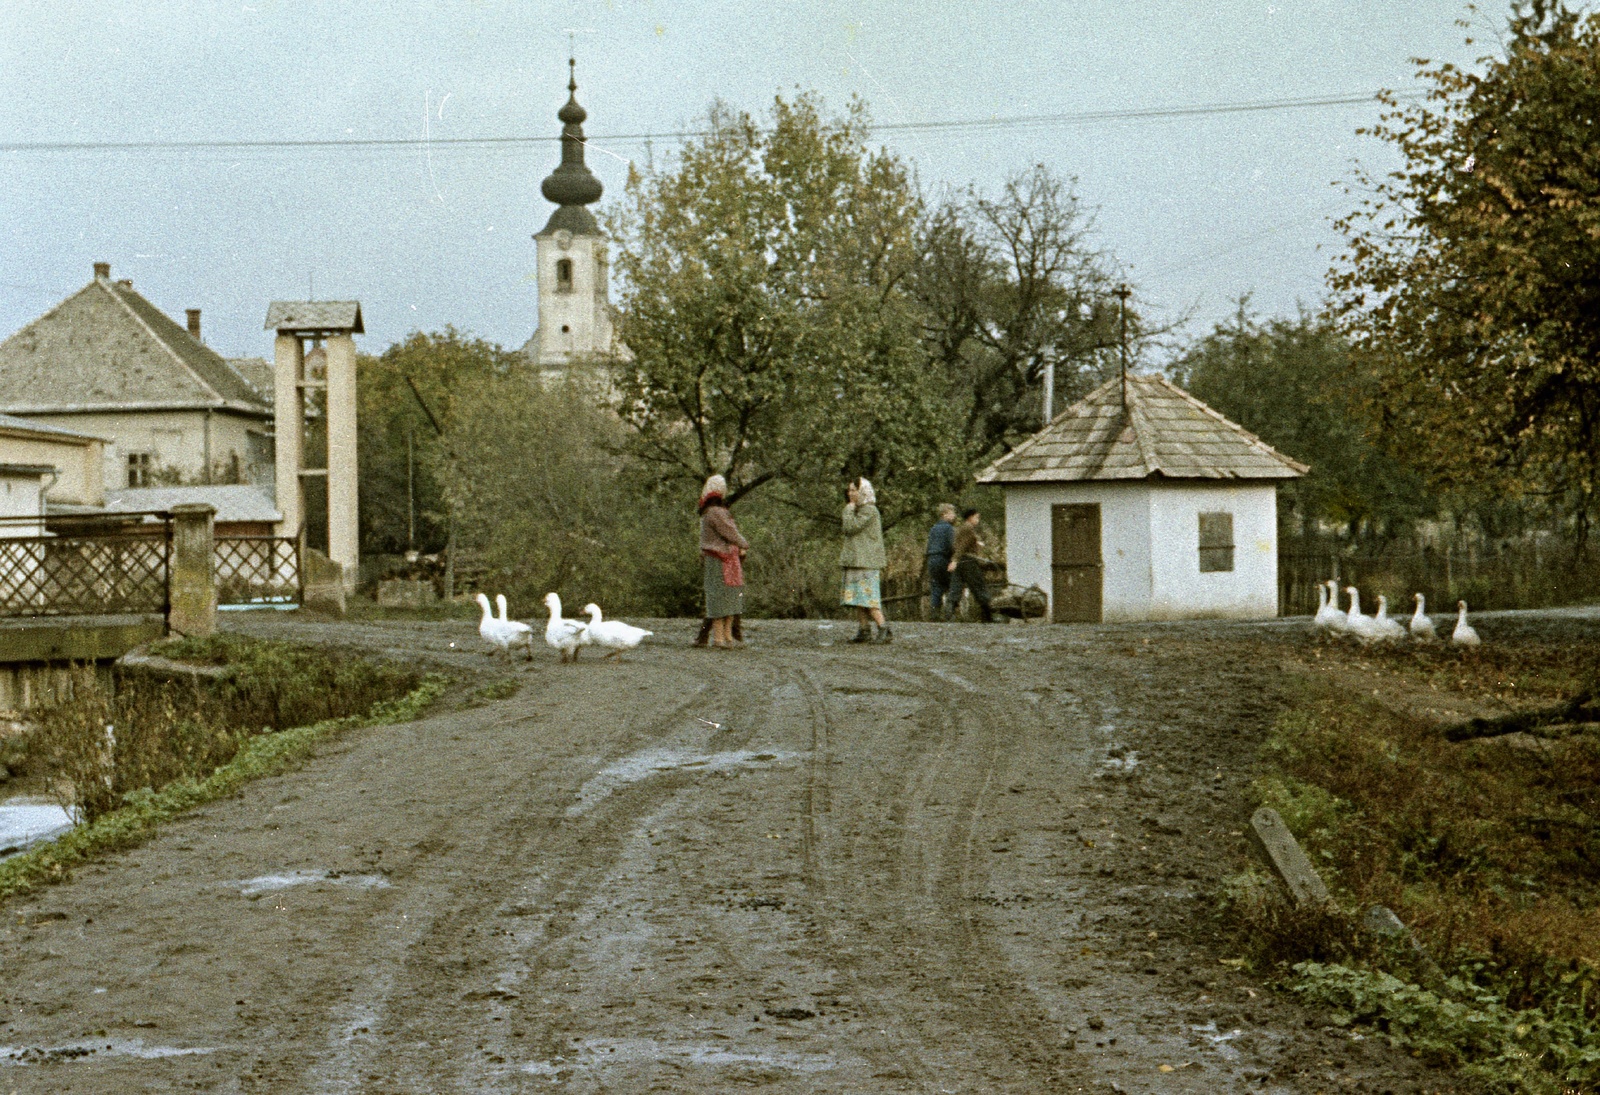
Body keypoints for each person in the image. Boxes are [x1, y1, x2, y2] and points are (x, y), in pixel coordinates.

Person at [698, 475, 748, 649]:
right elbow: (730, 532)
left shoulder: (707, 512)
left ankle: (724, 637)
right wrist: (744, 544)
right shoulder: (717, 513)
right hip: (722, 559)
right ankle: (721, 638)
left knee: (722, 597)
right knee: (723, 598)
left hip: (720, 558)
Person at [841, 478, 891, 643]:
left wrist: (848, 510)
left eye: (854, 490)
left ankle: (884, 628)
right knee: (857, 598)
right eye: (850, 490)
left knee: (868, 596)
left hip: (866, 561)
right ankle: (864, 630)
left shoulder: (869, 511)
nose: (851, 494)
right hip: (856, 560)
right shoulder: (859, 510)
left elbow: (850, 527)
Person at [946, 507, 994, 622]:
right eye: (977, 517)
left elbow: (958, 544)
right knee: (978, 587)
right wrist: (954, 560)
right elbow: (963, 546)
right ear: (971, 517)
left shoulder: (961, 528)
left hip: (961, 562)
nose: (978, 520)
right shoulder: (969, 528)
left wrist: (976, 543)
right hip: (968, 561)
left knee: (956, 587)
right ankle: (988, 616)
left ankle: (949, 614)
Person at [925, 503, 957, 619]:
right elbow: (952, 546)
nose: (954, 516)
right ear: (944, 515)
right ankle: (949, 613)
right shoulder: (949, 528)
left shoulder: (933, 528)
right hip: (943, 559)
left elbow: (928, 545)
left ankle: (934, 613)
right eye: (952, 513)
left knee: (936, 586)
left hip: (932, 559)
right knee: (951, 584)